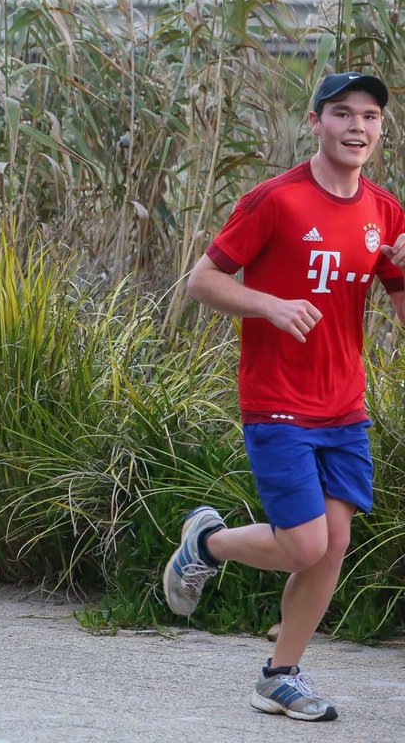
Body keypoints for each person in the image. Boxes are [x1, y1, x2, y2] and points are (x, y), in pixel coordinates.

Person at [164, 71, 405, 721]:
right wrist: (267, 304)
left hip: (344, 406)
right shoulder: (276, 200)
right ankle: (206, 544)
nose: (357, 127)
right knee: (304, 545)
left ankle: (279, 676)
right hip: (277, 399)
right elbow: (202, 281)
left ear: (381, 130)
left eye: (369, 117)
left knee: (333, 546)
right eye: (342, 114)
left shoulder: (385, 212)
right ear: (315, 121)